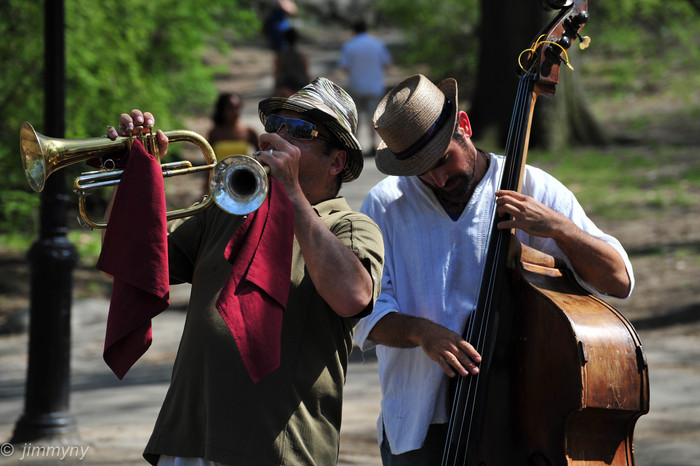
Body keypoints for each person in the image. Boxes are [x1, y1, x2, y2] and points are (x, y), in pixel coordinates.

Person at [353, 74, 635, 464]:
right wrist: (420, 331)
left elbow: (618, 279)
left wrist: (559, 228)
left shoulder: (532, 187)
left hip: (525, 416)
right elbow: (364, 314)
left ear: (464, 128)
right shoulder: (384, 205)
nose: (438, 178)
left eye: (442, 159)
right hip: (420, 421)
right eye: (421, 169)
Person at [105, 77, 384, 465]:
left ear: (336, 161)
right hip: (188, 440)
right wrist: (133, 173)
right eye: (276, 127)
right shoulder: (230, 205)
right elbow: (134, 259)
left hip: (276, 451)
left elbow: (352, 296)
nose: (277, 138)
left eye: (301, 131)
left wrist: (292, 195)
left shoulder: (349, 227)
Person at [338, 19, 392, 155]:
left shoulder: (349, 46)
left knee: (356, 118)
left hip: (356, 86)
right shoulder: (377, 44)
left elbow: (344, 68)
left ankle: (355, 146)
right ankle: (373, 145)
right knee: (373, 118)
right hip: (374, 87)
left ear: (354, 31)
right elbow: (386, 64)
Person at [207, 92, 260, 159]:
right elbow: (209, 159)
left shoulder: (248, 132)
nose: (235, 112)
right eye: (230, 108)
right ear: (222, 110)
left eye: (237, 107)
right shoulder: (214, 133)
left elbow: (261, 156)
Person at [273, 28, 311, 98]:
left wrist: (276, 88)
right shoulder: (301, 55)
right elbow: (306, 72)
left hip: (286, 84)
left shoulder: (281, 55)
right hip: (300, 85)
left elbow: (277, 72)